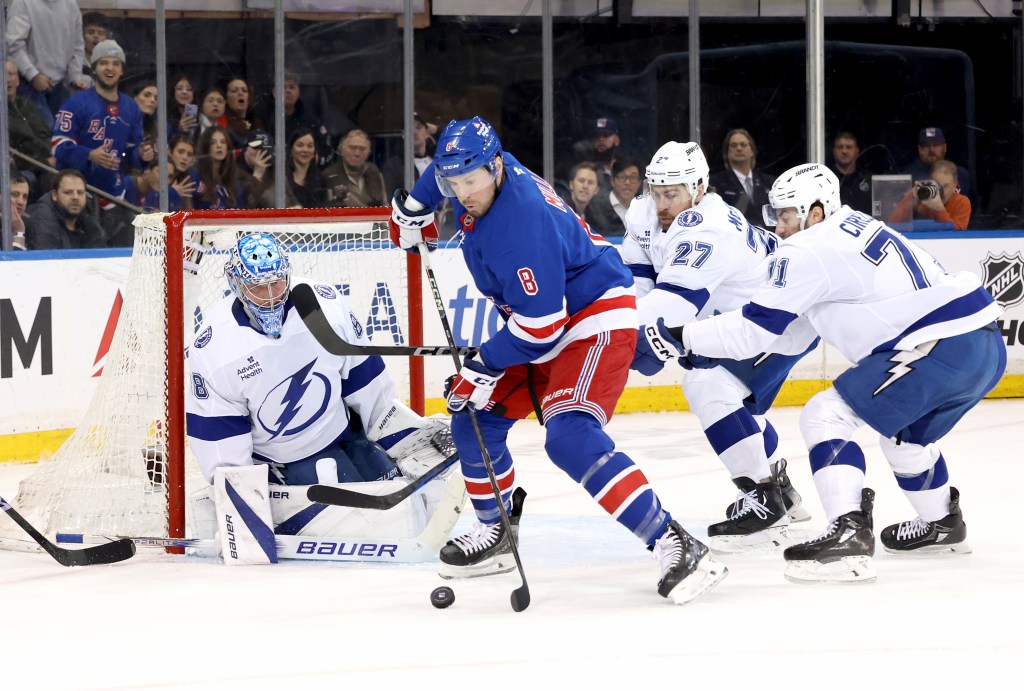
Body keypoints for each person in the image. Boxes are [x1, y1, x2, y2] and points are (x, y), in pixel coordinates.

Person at [387, 116, 727, 604]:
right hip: (539, 319)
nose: (462, 193)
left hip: (591, 318)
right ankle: (497, 530)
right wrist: (417, 205)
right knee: (474, 417)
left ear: (496, 169)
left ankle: (673, 539)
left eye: (471, 182)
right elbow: (444, 172)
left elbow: (543, 326)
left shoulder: (520, 225)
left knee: (569, 437)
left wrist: (482, 365)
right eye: (454, 183)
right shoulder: (489, 169)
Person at [660, 163, 1004, 582]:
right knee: (906, 441)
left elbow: (753, 330)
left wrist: (684, 335)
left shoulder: (807, 250)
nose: (779, 227)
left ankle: (848, 535)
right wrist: (709, 344)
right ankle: (944, 525)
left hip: (938, 344)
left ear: (816, 212)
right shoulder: (854, 227)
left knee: (825, 414)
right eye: (776, 215)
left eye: (786, 215)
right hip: (983, 344)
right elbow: (790, 330)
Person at [185, 232, 457, 563]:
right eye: (258, 287)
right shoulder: (215, 347)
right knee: (381, 518)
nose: (271, 296)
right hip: (284, 464)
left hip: (345, 434)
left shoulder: (322, 303)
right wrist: (242, 512)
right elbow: (218, 438)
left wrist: (398, 435)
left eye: (277, 284)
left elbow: (364, 377)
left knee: (401, 490)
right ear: (237, 285)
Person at [623, 141, 815, 552]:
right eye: (656, 191)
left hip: (783, 317)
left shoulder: (707, 226)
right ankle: (778, 487)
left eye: (672, 192)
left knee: (708, 384)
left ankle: (763, 497)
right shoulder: (643, 212)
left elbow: (673, 306)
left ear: (699, 187)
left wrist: (608, 333)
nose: (662, 203)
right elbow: (638, 284)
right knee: (724, 394)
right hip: (739, 318)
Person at [51, 40, 151, 247]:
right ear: (94, 68)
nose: (110, 68)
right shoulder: (76, 104)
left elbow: (131, 152)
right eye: (104, 62)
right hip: (79, 193)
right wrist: (89, 154)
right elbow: (58, 146)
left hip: (114, 194)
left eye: (115, 63)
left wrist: (142, 155)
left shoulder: (131, 108)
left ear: (122, 70)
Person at [5, 0, 90, 128]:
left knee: (68, 133)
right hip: (28, 85)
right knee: (46, 134)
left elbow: (77, 45)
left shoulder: (71, 4)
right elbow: (13, 44)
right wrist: (33, 75)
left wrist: (75, 76)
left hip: (60, 86)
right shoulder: (23, 3)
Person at [260, 71, 337, 167]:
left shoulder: (310, 119)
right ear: (274, 92)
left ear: (299, 92)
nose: (288, 91)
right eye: (283, 87)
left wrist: (315, 153)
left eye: (292, 87)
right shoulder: (263, 116)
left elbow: (324, 144)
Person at [25, 169, 106, 249]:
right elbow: (50, 259)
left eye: (80, 192)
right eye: (68, 192)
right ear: (55, 195)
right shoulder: (42, 219)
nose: (75, 197)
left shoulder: (87, 217)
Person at [709, 129, 775, 227]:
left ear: (752, 150)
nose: (739, 148)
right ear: (727, 152)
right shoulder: (715, 184)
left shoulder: (770, 182)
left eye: (743, 144)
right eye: (733, 145)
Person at [903, 127, 977, 209]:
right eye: (926, 146)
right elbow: (900, 216)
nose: (931, 150)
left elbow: (974, 211)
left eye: (936, 144)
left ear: (944, 147)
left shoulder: (962, 175)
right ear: (920, 149)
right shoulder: (907, 179)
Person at [6, 58, 54, 183]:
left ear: (17, 80)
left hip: (46, 162)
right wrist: (45, 163)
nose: (7, 79)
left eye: (11, 74)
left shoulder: (27, 105)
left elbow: (46, 135)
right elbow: (13, 157)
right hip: (26, 169)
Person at [192, 125, 263, 210]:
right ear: (206, 147)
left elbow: (245, 207)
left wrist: (258, 172)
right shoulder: (195, 177)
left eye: (223, 142)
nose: (219, 146)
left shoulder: (234, 177)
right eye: (213, 142)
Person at [890, 159, 972, 230]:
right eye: (938, 185)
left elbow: (959, 232)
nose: (942, 191)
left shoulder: (962, 202)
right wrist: (910, 202)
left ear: (955, 184)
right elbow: (891, 225)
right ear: (930, 181)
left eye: (946, 186)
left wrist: (939, 209)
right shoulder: (922, 196)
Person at [322, 129, 387, 207]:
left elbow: (385, 206)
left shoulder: (375, 174)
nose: (357, 153)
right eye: (352, 148)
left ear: (369, 152)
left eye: (362, 149)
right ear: (341, 150)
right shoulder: (328, 176)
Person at [584, 157, 641, 237]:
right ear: (612, 181)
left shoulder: (646, 208)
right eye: (622, 177)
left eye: (632, 178)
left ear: (639, 182)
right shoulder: (594, 207)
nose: (627, 182)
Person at [829, 130, 872, 214]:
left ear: (857, 151)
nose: (844, 151)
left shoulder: (868, 179)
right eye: (840, 147)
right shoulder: (827, 180)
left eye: (849, 147)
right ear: (834, 151)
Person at [285, 127, 328, 208]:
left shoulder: (321, 180)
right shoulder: (282, 178)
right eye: (299, 145)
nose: (305, 150)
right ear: (291, 149)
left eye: (310, 146)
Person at [224, 78, 263, 150]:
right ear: (226, 99)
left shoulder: (256, 124)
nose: (240, 93)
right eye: (234, 91)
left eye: (244, 91)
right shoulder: (222, 122)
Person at [80, 12, 109, 88]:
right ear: (81, 35)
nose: (96, 36)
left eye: (101, 33)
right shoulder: (73, 61)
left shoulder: (110, 64)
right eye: (90, 32)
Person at [7, 175, 31, 250]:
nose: (21, 202)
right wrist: (19, 232)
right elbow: (11, 261)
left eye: (25, 197)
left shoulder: (30, 225)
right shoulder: (21, 227)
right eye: (14, 194)